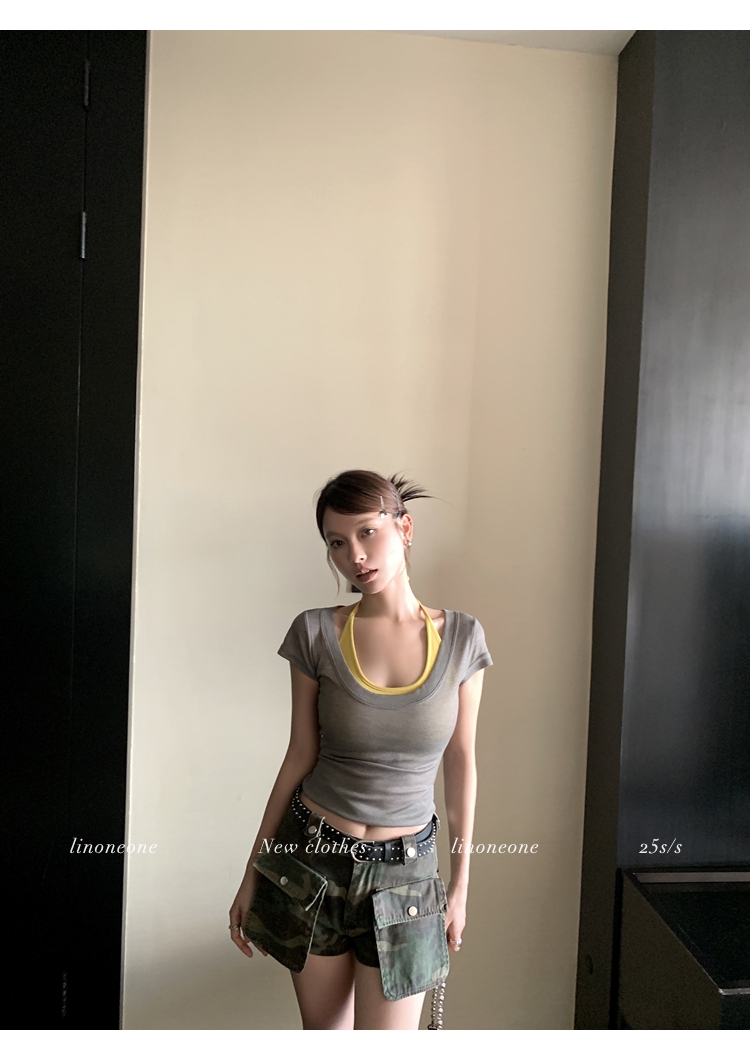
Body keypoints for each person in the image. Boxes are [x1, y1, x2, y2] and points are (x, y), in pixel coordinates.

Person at [229, 469, 492, 1030]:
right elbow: (299, 755)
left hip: (407, 877)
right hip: (312, 862)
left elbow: (461, 764)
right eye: (337, 542)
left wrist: (461, 884)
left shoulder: (463, 639)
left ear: (405, 528)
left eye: (367, 532)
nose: (355, 555)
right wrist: (254, 871)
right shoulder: (315, 633)